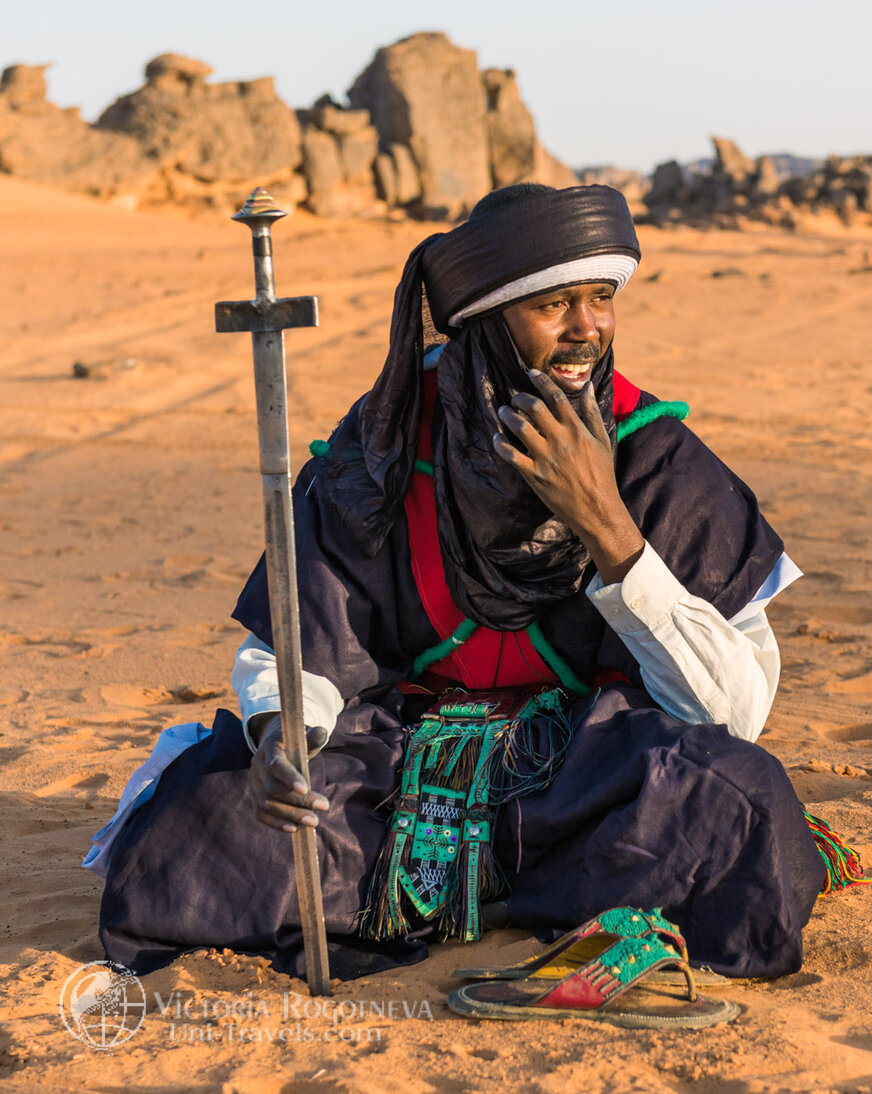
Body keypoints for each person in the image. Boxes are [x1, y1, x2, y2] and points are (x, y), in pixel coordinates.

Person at [92, 183, 829, 982]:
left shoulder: (653, 455)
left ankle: (519, 892)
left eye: (601, 299)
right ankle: (544, 895)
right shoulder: (384, 447)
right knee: (207, 814)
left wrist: (606, 523)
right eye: (555, 305)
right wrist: (283, 739)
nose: (588, 328)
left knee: (734, 799)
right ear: (486, 320)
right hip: (397, 768)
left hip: (586, 773)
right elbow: (302, 641)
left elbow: (730, 713)